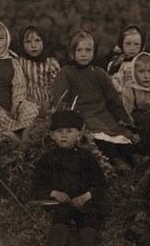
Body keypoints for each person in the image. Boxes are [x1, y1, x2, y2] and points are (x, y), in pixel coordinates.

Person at [31, 110, 108, 246]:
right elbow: (37, 185)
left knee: (90, 218)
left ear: (79, 134)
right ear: (52, 135)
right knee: (61, 217)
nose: (64, 136)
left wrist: (86, 196)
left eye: (69, 131)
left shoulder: (87, 157)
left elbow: (100, 184)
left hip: (84, 202)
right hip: (61, 204)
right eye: (59, 132)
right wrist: (54, 193)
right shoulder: (48, 158)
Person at [52, 31, 135, 171]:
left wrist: (126, 122)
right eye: (79, 50)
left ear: (94, 51)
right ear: (72, 52)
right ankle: (115, 161)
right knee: (99, 137)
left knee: (120, 136)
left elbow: (113, 100)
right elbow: (60, 99)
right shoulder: (65, 73)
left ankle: (130, 161)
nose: (83, 54)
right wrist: (72, 118)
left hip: (102, 113)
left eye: (88, 50)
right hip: (82, 114)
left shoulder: (99, 73)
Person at [0, 21, 39, 142]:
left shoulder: (13, 61)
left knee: (30, 108)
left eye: (1, 38)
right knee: (1, 118)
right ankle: (13, 140)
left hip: (12, 102)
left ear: (7, 40)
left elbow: (19, 85)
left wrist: (16, 105)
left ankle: (25, 138)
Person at [16, 25, 61, 114]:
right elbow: (19, 86)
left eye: (37, 40)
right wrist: (31, 100)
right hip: (28, 101)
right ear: (22, 44)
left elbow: (58, 85)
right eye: (28, 42)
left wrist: (50, 102)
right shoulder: (20, 63)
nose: (33, 45)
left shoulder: (51, 62)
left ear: (44, 41)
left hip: (50, 101)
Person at [105, 25, 145, 95]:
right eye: (128, 44)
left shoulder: (145, 62)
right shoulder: (115, 63)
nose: (132, 48)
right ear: (121, 43)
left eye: (137, 44)